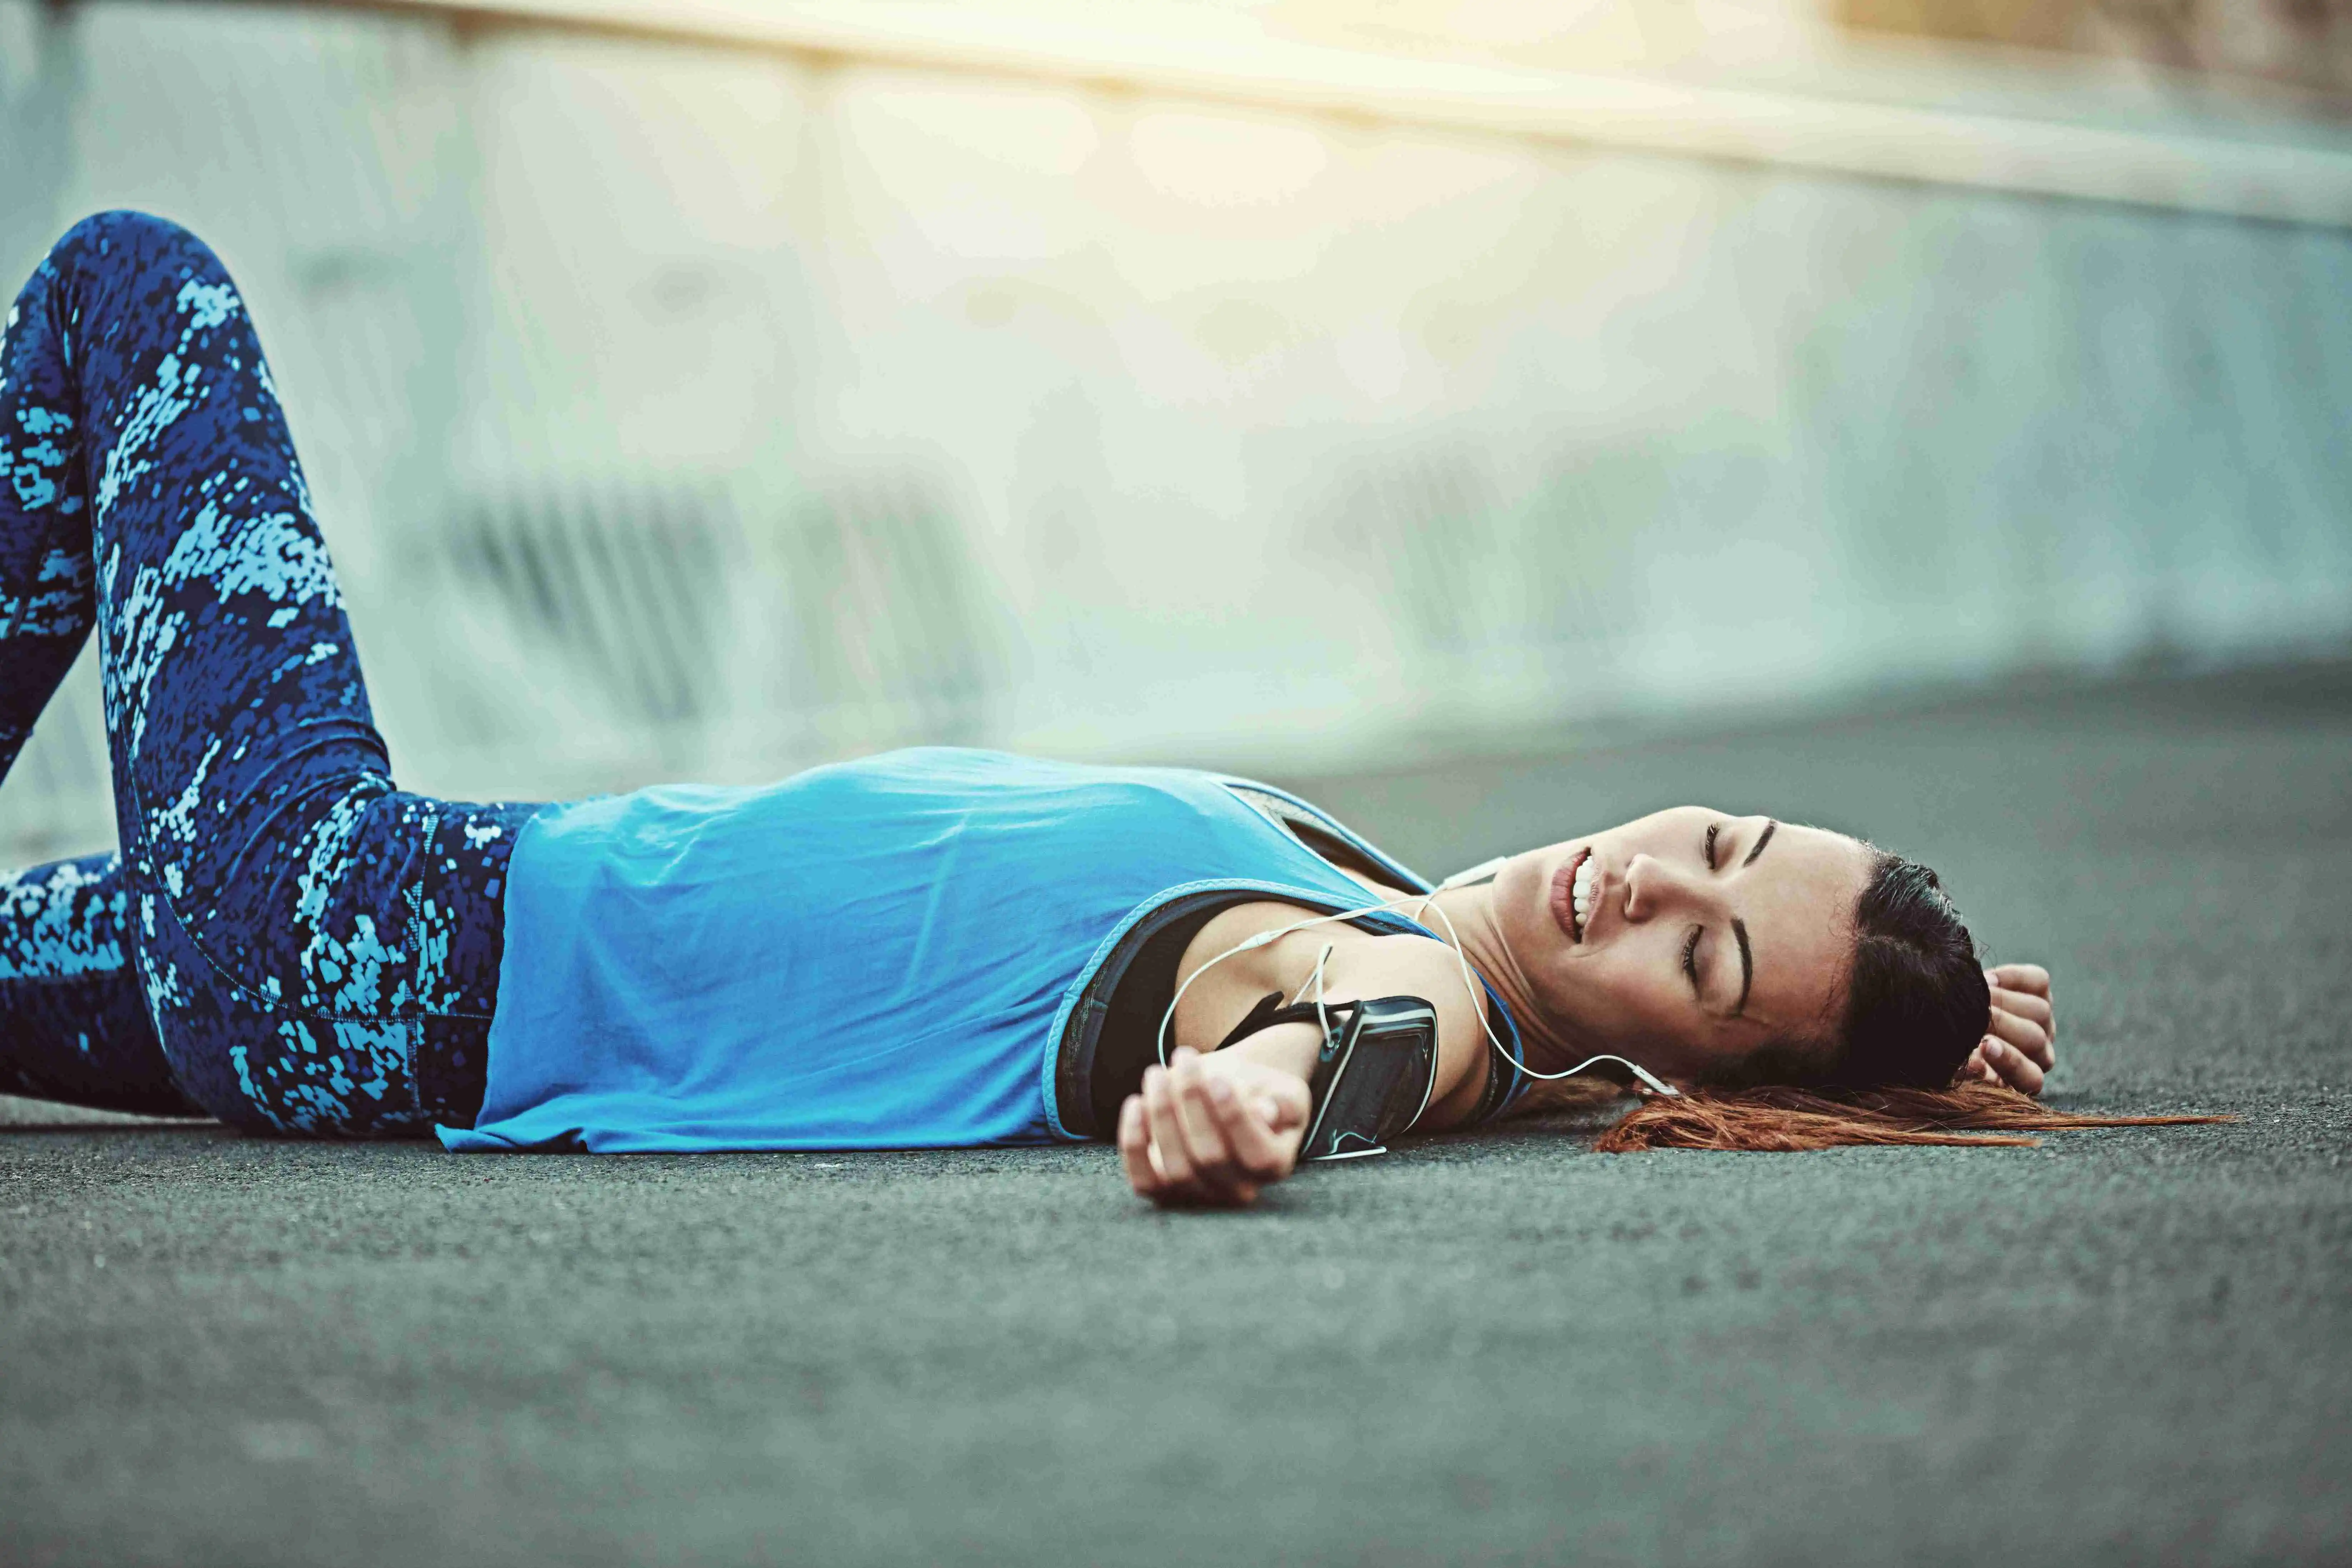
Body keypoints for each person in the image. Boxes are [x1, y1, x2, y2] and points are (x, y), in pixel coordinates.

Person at [0, 213, 2154, 1211]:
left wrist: (1267, 1107)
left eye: (1701, 960)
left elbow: (1358, 1038)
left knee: (133, 281)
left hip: (347, 930)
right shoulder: (1393, 884)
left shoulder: (1425, 985)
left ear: (1686, 1074)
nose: (1654, 883)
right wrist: (1933, 1042)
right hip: (402, 940)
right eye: (1729, 847)